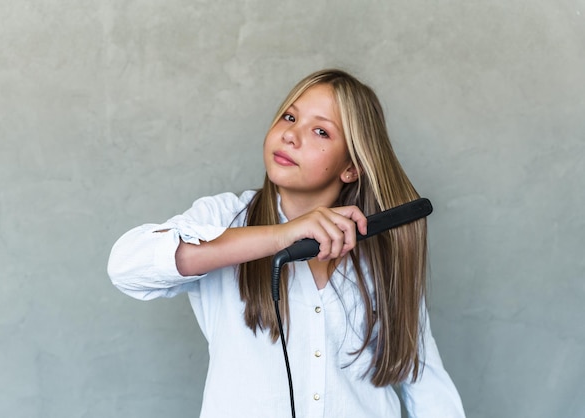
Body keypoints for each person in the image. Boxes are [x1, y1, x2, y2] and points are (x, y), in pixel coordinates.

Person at [108, 69, 466, 418]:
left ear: (351, 168)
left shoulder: (383, 253)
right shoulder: (224, 217)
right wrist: (283, 234)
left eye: (321, 131)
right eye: (289, 117)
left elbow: (426, 383)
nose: (292, 135)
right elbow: (127, 267)